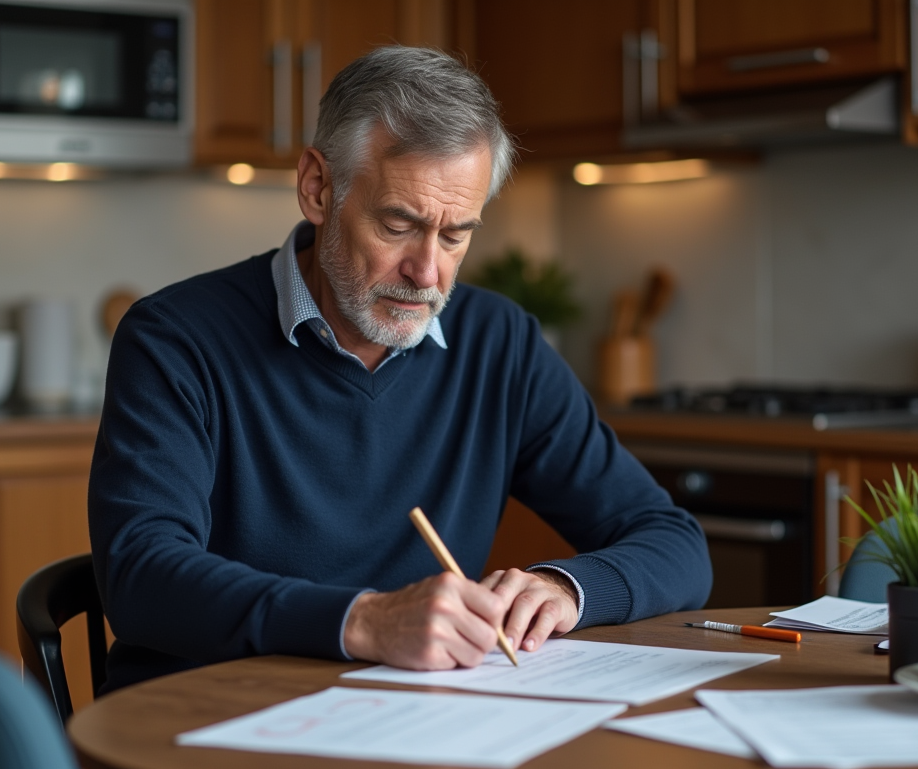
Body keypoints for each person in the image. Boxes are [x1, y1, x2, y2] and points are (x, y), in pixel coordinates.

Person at [89, 46, 711, 695]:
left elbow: (674, 544)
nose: (427, 273)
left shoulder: (501, 343)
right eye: (398, 225)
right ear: (318, 188)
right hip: (201, 730)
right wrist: (362, 621)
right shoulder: (175, 339)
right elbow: (141, 576)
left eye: (454, 236)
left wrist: (567, 588)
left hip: (411, 730)